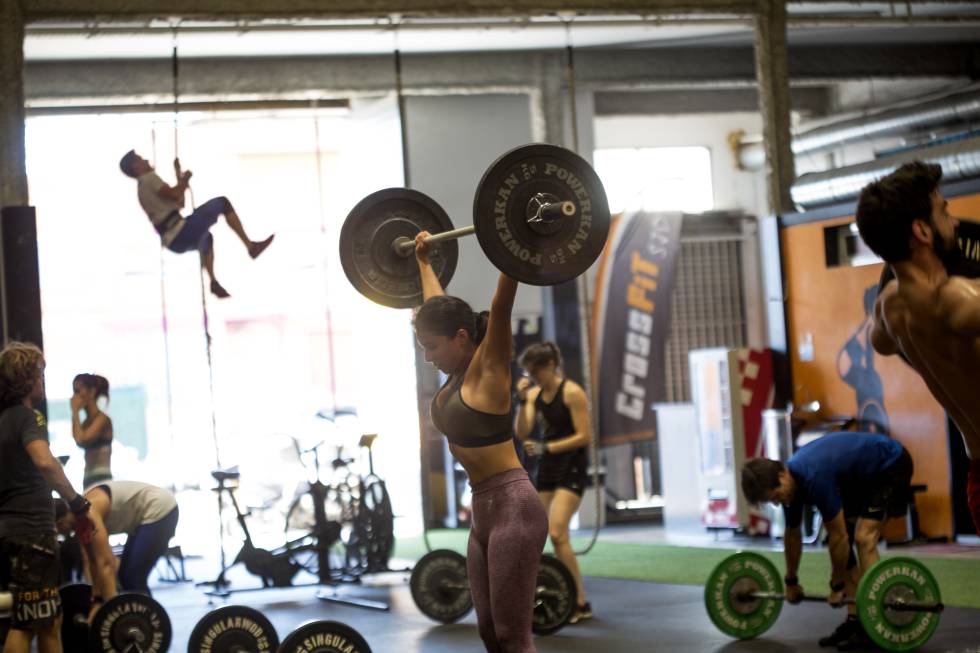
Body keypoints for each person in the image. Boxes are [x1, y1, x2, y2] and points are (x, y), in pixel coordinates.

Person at [413, 231, 548, 653]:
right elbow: (438, 309)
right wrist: (423, 261)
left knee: (513, 635)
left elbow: (500, 305)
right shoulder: (452, 376)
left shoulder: (489, 368)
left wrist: (513, 243)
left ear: (461, 337)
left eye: (431, 347)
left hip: (514, 507)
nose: (427, 356)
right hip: (483, 513)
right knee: (490, 633)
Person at [854, 160, 980, 536]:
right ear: (921, 230)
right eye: (944, 211)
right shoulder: (959, 301)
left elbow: (881, 345)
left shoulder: (889, 309)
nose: (954, 222)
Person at [741, 432, 913, 650]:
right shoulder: (790, 489)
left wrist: (836, 584)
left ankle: (877, 620)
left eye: (776, 495)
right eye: (772, 501)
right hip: (859, 478)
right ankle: (856, 622)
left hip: (890, 464)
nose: (778, 503)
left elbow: (838, 536)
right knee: (845, 546)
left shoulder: (814, 476)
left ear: (783, 474)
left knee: (862, 539)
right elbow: (792, 535)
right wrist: (791, 581)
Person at [0, 342, 95, 653]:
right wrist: (76, 503)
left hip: (15, 532)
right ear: (28, 380)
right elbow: (44, 462)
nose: (43, 381)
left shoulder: (3, 421)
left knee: (49, 620)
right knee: (27, 625)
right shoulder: (29, 419)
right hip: (32, 537)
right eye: (40, 375)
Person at [118, 150, 274, 298]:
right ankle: (250, 246)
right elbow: (175, 194)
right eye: (140, 159)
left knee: (207, 239)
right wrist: (184, 179)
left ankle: (213, 281)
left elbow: (178, 202)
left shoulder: (141, 188)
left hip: (173, 241)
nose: (145, 160)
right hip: (180, 231)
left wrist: (179, 177)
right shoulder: (149, 178)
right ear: (135, 166)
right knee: (222, 203)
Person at [514, 342, 592, 624]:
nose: (532, 379)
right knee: (535, 534)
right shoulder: (534, 394)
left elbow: (584, 436)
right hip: (546, 470)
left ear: (549, 366)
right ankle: (555, 595)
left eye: (535, 373)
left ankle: (580, 602)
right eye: (529, 374)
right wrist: (522, 401)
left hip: (571, 467)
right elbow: (522, 432)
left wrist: (549, 448)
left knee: (558, 533)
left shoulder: (572, 393)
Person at [55, 480, 178, 609]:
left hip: (160, 509)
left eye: (56, 531)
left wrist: (111, 611)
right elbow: (91, 562)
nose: (59, 535)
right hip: (142, 519)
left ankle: (145, 623)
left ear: (61, 522)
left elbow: (107, 563)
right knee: (125, 576)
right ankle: (136, 618)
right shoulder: (80, 522)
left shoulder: (89, 513)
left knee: (133, 576)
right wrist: (95, 599)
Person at [71, 373, 113, 488]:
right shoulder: (85, 423)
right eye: (74, 391)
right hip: (88, 478)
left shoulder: (102, 419)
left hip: (102, 479)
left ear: (92, 391)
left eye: (79, 390)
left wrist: (75, 412)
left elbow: (82, 439)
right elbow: (78, 439)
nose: (76, 396)